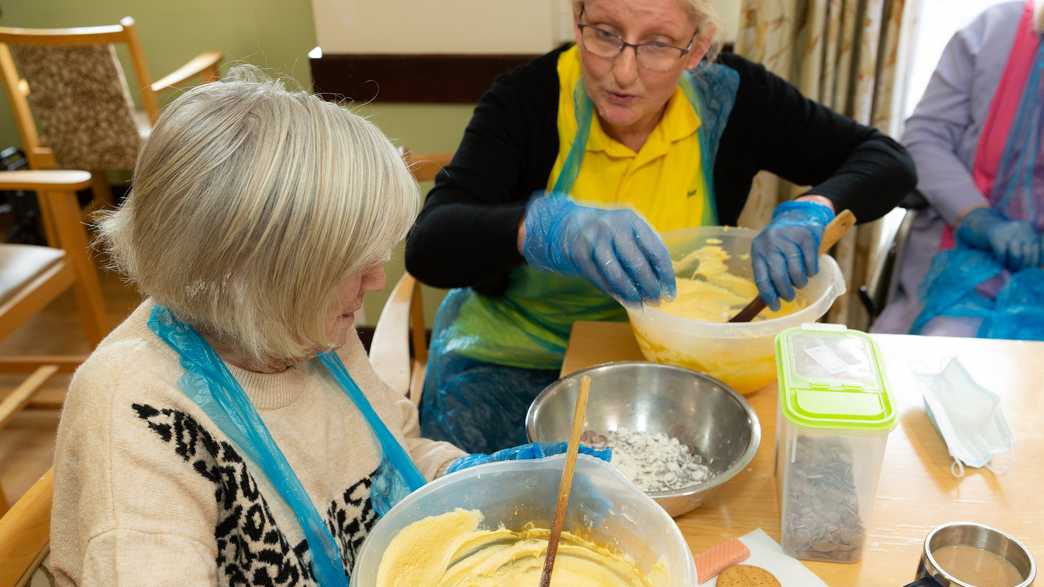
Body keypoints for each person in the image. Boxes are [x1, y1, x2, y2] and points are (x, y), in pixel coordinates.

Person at [48, 69, 606, 585]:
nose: (375, 277)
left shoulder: (306, 328)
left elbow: (396, 454)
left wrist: (476, 477)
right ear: (250, 272)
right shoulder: (140, 416)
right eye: (347, 261)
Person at [406, 0, 917, 453]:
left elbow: (889, 162)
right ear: (577, 19)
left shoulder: (733, 100)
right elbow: (430, 244)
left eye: (657, 44)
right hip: (512, 364)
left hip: (670, 372)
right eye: (605, 33)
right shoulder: (527, 100)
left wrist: (817, 209)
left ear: (697, 49)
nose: (623, 73)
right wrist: (539, 227)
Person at [873, 0, 1044, 338]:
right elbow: (925, 137)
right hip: (956, 264)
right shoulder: (992, 30)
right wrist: (979, 219)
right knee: (943, 355)